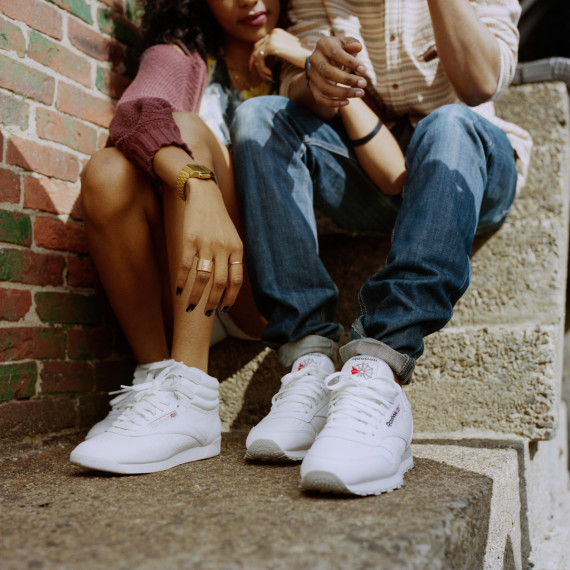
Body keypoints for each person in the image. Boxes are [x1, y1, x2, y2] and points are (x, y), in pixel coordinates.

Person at [69, 0, 405, 476]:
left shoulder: (303, 59)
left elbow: (382, 169)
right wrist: (197, 185)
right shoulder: (183, 56)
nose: (250, 0)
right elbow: (133, 117)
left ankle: (190, 391)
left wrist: (301, 56)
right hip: (180, 272)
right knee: (105, 172)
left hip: (255, 285)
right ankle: (159, 382)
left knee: (187, 127)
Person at [231, 0, 533, 495]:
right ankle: (311, 362)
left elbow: (481, 80)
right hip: (369, 170)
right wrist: (318, 75)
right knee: (258, 116)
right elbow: (296, 89)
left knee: (448, 123)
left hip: (466, 168)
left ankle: (377, 372)